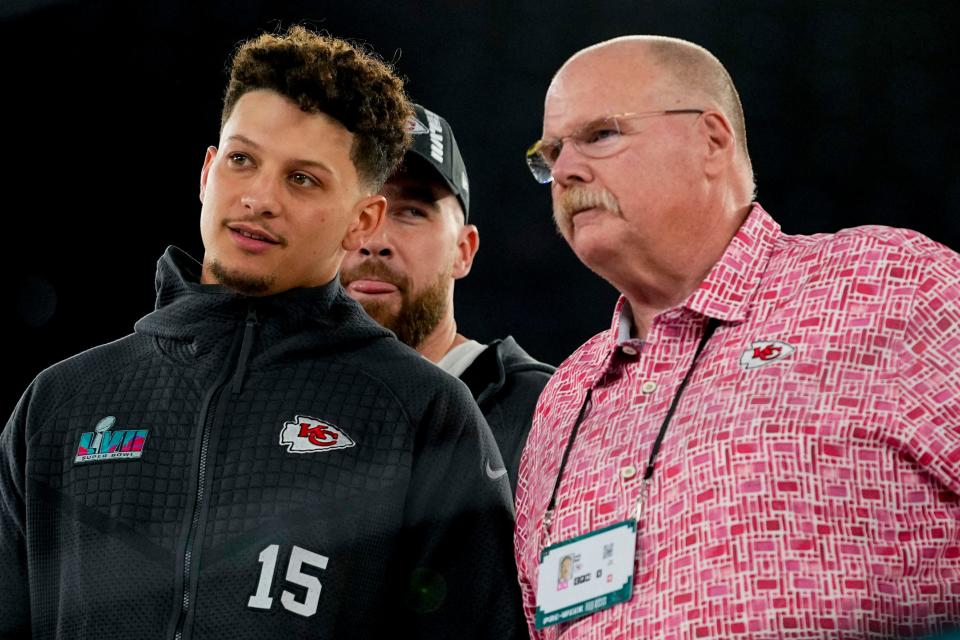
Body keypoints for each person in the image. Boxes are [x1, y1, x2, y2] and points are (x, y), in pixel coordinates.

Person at [0, 26, 525, 640]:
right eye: (242, 160)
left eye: (303, 179)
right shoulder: (61, 403)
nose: (258, 198)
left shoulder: (422, 413)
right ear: (206, 173)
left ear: (362, 220)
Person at [514, 35, 960, 638]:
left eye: (601, 135)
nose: (565, 170)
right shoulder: (564, 398)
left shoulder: (889, 281)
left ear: (711, 141)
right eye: (550, 153)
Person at [341, 103, 554, 494]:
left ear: (463, 250)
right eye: (359, 208)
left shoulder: (542, 412)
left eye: (410, 212)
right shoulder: (273, 401)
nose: (374, 242)